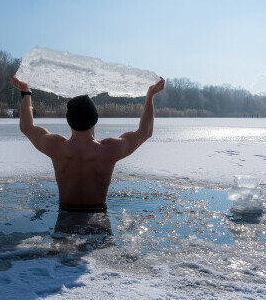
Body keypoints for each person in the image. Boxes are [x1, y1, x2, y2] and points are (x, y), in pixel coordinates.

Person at [10, 74, 165, 212]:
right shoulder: (109, 150)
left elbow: (27, 127)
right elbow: (145, 131)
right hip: (98, 216)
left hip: (65, 217)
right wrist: (150, 95)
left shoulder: (56, 147)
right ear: (95, 119)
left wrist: (26, 92)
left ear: (69, 121)